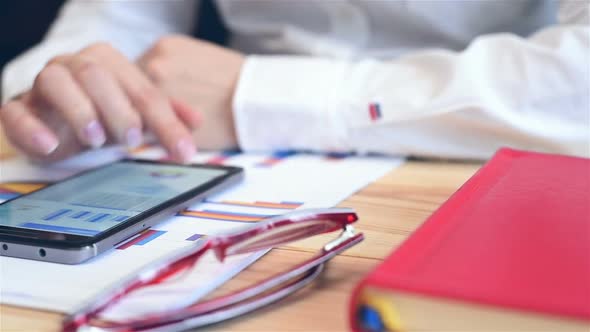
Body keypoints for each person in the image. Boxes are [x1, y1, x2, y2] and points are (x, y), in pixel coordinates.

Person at [0, 0, 588, 163]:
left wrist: (254, 94)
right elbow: (118, 20)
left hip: (480, 156)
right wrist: (61, 90)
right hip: (215, 155)